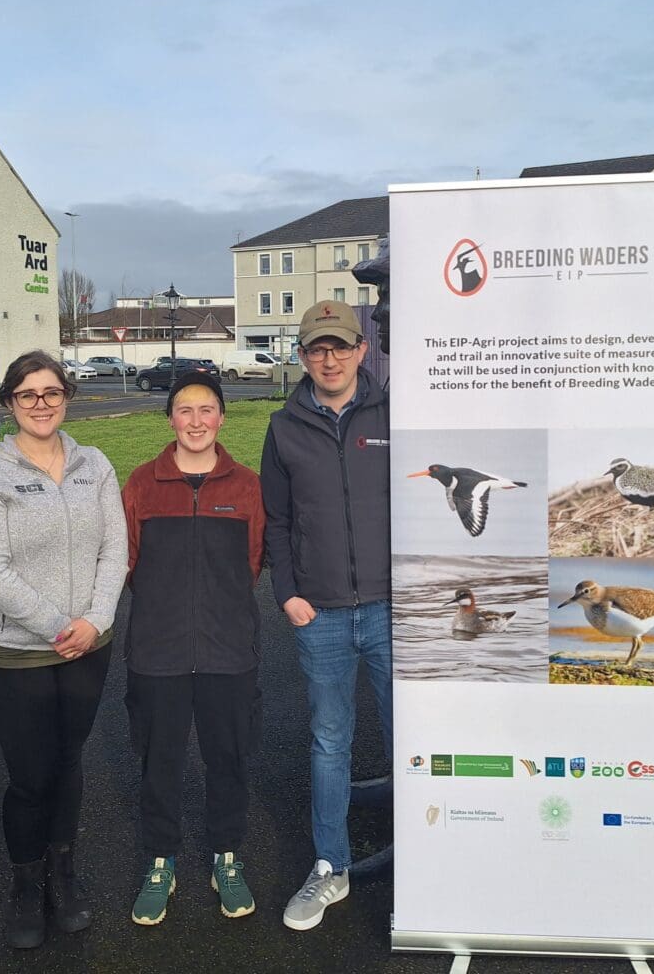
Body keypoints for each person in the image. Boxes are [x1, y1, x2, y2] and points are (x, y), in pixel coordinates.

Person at [0, 350, 127, 950]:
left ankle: (64, 873)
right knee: (30, 776)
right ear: (9, 403)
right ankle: (25, 884)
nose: (40, 404)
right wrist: (62, 624)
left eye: (51, 392)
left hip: (89, 645)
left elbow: (115, 551)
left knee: (69, 762)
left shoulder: (95, 464)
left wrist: (97, 619)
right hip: (17, 654)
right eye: (27, 394)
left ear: (66, 398)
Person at [260, 299, 391, 931]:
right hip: (324, 616)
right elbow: (278, 521)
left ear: (362, 350)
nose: (330, 358)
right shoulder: (284, 426)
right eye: (317, 348)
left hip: (394, 610)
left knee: (409, 740)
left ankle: (427, 858)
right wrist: (288, 591)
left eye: (340, 346)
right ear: (302, 355)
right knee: (329, 741)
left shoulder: (396, 413)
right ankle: (329, 866)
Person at [121, 372, 265, 927]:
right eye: (186, 410)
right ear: (171, 419)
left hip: (229, 651)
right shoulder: (141, 483)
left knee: (227, 760)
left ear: (222, 418)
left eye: (207, 410)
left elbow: (250, 564)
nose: (197, 421)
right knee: (160, 762)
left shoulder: (246, 485)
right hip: (158, 653)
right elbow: (130, 563)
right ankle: (160, 860)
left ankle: (226, 856)